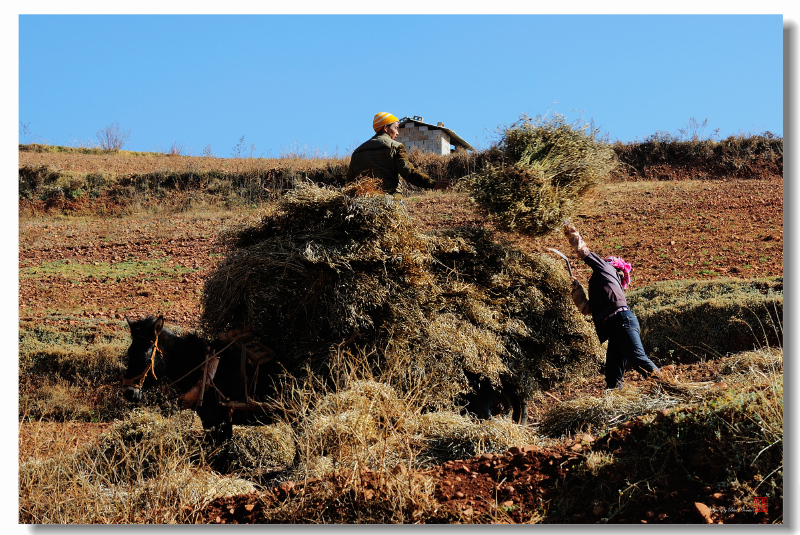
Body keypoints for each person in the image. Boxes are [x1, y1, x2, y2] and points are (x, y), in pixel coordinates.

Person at [563, 222, 660, 389]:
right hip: (614, 327)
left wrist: (570, 230)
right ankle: (614, 404)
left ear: (613, 266)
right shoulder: (603, 287)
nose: (604, 261)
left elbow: (584, 252)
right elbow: (587, 309)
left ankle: (667, 386)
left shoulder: (607, 270)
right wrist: (576, 288)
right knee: (613, 375)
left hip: (622, 323)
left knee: (638, 359)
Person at [347, 112, 449, 197]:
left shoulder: (358, 152)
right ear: (385, 128)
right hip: (390, 200)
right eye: (396, 128)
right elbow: (408, 172)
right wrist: (432, 184)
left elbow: (350, 182)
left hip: (364, 203)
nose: (398, 133)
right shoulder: (396, 146)